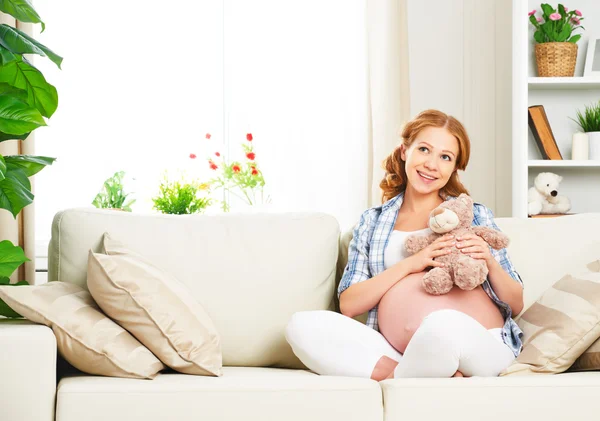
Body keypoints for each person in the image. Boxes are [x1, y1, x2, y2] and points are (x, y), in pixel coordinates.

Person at [285, 109, 524, 380]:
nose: (432, 164)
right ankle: (421, 373)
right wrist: (412, 264)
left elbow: (516, 304)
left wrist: (490, 262)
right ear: (404, 151)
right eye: (424, 149)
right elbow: (349, 305)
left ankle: (412, 376)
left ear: (454, 168)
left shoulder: (475, 214)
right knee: (302, 326)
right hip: (398, 349)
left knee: (441, 323)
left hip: (479, 344)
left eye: (445, 157)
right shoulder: (372, 222)